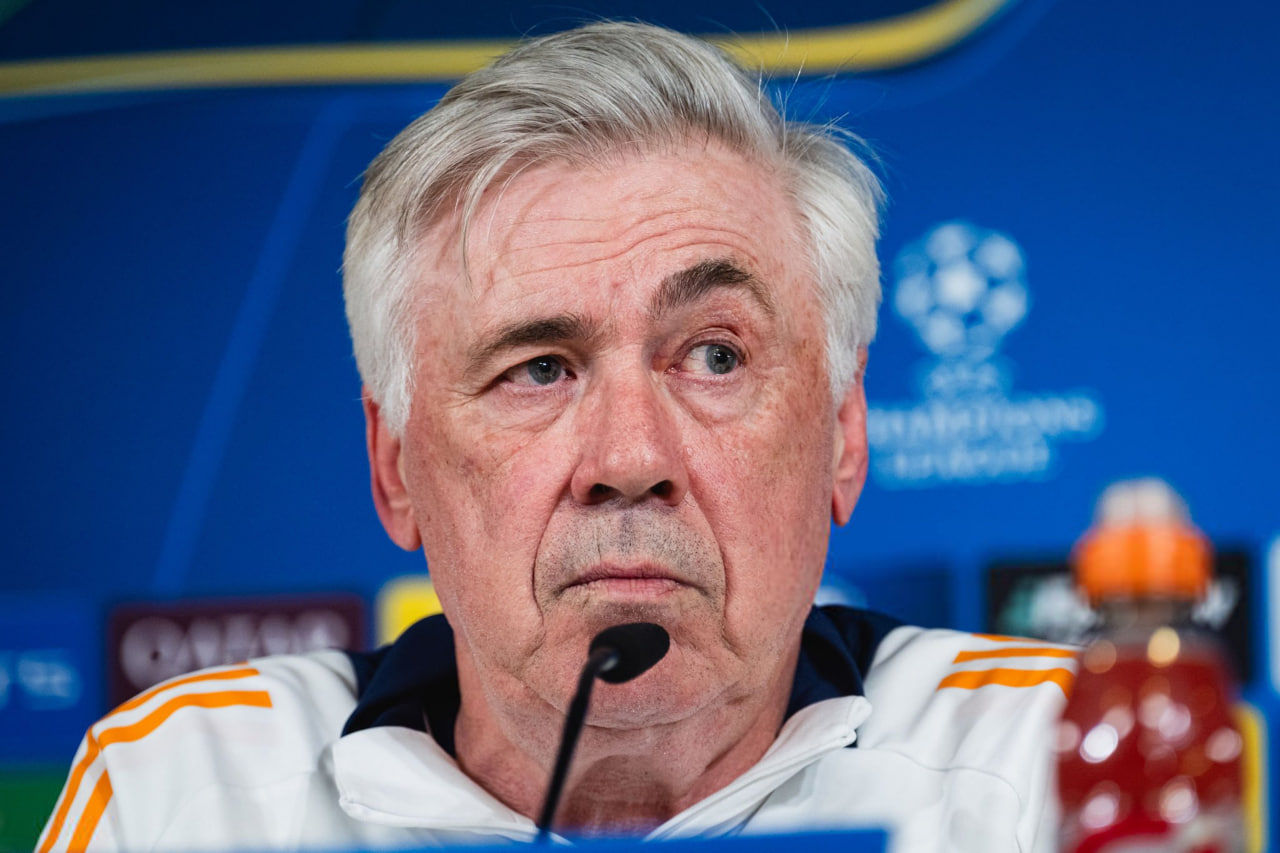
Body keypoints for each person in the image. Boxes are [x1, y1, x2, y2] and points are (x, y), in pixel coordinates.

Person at [38, 21, 1072, 853]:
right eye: (538, 369)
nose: (630, 460)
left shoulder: (1059, 763)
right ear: (394, 467)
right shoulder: (186, 789)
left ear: (843, 432)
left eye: (714, 356)